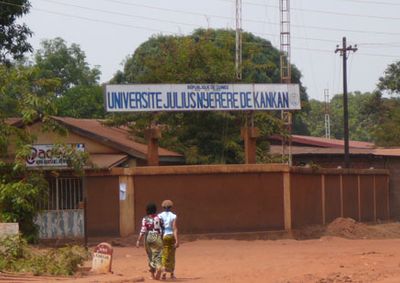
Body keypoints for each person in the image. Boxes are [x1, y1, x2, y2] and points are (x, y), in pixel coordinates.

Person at [136, 203, 164, 280]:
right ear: (155, 210)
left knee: (150, 255)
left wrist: (138, 240)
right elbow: (161, 229)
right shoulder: (158, 218)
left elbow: (143, 230)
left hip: (148, 236)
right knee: (158, 253)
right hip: (157, 236)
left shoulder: (145, 219)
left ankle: (152, 274)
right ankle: (158, 266)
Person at [158, 199, 179, 280]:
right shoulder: (173, 216)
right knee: (172, 255)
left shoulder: (159, 216)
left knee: (163, 254)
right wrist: (177, 240)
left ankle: (163, 272)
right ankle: (172, 273)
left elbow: (159, 227)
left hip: (163, 236)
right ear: (171, 207)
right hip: (171, 236)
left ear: (163, 207)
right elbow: (175, 229)